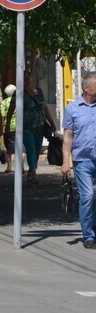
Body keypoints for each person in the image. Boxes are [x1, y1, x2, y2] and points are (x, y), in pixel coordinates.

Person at [61, 72, 96, 250]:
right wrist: (65, 162)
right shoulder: (73, 109)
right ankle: (89, 235)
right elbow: (68, 137)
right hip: (82, 160)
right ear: (86, 87)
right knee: (88, 196)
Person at [20, 71, 57, 185]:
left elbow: (44, 108)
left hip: (40, 126)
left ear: (32, 79)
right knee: (31, 148)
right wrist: (7, 127)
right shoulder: (20, 93)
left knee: (36, 150)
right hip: (26, 126)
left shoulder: (39, 91)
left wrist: (52, 123)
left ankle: (31, 170)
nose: (27, 80)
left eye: (28, 78)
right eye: (25, 79)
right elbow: (12, 108)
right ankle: (34, 173)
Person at [0, 84, 17, 174]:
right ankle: (21, 167)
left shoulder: (5, 102)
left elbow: (2, 116)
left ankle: (9, 167)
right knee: (21, 148)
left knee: (9, 148)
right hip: (20, 126)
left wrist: (1, 127)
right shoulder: (20, 101)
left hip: (9, 127)